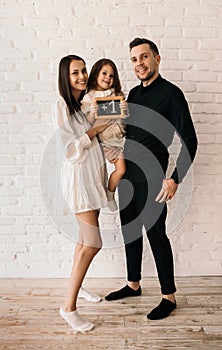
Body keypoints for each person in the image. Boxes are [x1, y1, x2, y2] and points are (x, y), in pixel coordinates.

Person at [104, 38, 198, 320]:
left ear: (157, 58)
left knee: (156, 234)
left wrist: (175, 179)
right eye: (134, 59)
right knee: (129, 231)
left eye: (144, 57)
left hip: (154, 177)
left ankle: (168, 296)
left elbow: (190, 140)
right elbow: (110, 125)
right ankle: (133, 284)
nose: (139, 64)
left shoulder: (172, 94)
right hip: (126, 176)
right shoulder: (131, 94)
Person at [53, 55, 113, 332]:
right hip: (78, 180)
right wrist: (96, 129)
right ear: (65, 77)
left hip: (92, 177)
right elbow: (69, 149)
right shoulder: (62, 106)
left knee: (83, 241)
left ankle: (79, 287)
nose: (81, 76)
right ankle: (69, 308)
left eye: (83, 71)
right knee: (92, 243)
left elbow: (101, 129)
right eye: (75, 72)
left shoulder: (82, 106)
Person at [81, 58, 127, 211]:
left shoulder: (117, 95)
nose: (108, 77)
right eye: (104, 73)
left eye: (112, 75)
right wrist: (93, 113)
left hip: (121, 138)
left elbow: (124, 120)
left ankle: (109, 193)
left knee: (122, 170)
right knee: (118, 170)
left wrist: (125, 109)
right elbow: (85, 125)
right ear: (96, 75)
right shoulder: (89, 97)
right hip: (105, 141)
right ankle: (109, 194)